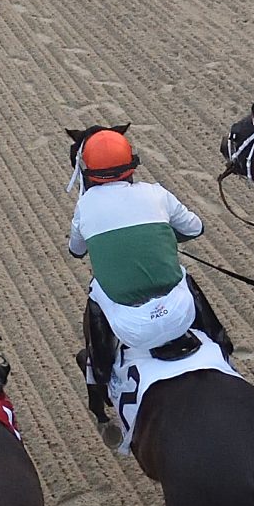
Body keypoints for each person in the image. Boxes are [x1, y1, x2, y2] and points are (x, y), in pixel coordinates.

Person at [66, 127, 207, 363]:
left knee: (96, 289)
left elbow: (76, 250)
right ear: (132, 164)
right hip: (180, 314)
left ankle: (100, 370)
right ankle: (220, 340)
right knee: (182, 275)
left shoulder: (85, 205)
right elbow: (196, 228)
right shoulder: (157, 193)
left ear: (88, 172)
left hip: (130, 328)